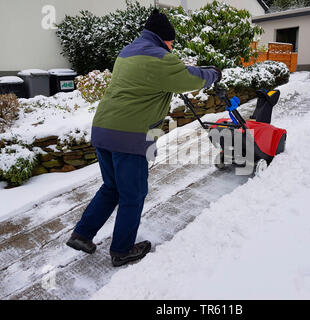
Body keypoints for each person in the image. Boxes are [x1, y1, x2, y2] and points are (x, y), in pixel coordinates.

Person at [66, 9, 221, 267]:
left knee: (111, 187)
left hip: (103, 130)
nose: (172, 46)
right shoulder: (161, 58)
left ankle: (82, 235)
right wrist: (213, 73)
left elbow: (163, 76)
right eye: (172, 41)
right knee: (133, 194)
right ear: (164, 38)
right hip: (129, 136)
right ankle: (122, 250)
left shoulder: (127, 53)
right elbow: (188, 78)